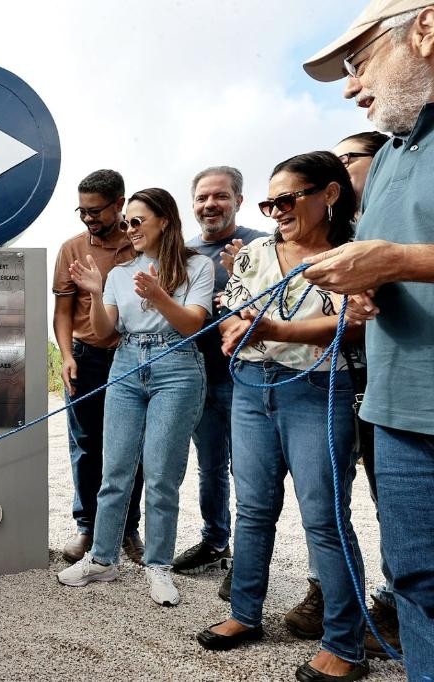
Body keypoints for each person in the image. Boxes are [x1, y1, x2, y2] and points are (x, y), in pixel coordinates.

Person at [196, 152, 369, 682]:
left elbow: (356, 325)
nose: (276, 211)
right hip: (252, 389)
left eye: (287, 200)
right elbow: (234, 310)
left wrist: (273, 329)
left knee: (324, 517)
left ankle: (345, 644)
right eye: (269, 204)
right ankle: (245, 614)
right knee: (252, 509)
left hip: (318, 390)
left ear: (329, 195)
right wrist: (233, 330)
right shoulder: (253, 253)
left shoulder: (353, 255)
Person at [302, 3, 434, 677]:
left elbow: (402, 256)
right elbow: (388, 266)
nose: (353, 88)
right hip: (397, 413)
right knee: (415, 584)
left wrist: (397, 260)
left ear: (425, 30)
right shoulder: (386, 159)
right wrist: (364, 289)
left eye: (359, 63)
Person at [57, 188, 211, 607]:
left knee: (161, 474)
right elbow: (104, 330)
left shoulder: (198, 266)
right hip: (125, 363)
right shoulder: (121, 272)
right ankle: (102, 559)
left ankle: (158, 566)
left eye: (138, 221)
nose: (130, 229)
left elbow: (192, 326)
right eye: (127, 223)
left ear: (165, 220)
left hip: (177, 365)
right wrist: (94, 291)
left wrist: (159, 296)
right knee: (115, 470)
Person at [283, 130, 397, 653]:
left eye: (348, 158)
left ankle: (393, 607)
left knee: (392, 498)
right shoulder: (340, 235)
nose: (339, 166)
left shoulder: (380, 232)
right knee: (334, 497)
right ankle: (327, 591)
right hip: (345, 384)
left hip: (384, 382)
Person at [172, 167, 265, 586]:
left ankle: (248, 560)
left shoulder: (261, 245)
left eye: (221, 196)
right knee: (209, 466)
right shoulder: (184, 253)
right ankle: (214, 541)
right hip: (198, 377)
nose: (211, 204)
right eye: (202, 198)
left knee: (248, 470)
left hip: (247, 377)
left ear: (238, 200)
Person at [51, 170, 145, 566]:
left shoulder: (141, 242)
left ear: (119, 204)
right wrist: (66, 355)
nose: (89, 218)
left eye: (96, 211)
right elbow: (63, 311)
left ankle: (127, 528)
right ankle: (87, 527)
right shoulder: (71, 249)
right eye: (82, 211)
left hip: (133, 357)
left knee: (131, 447)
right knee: (87, 445)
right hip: (86, 357)